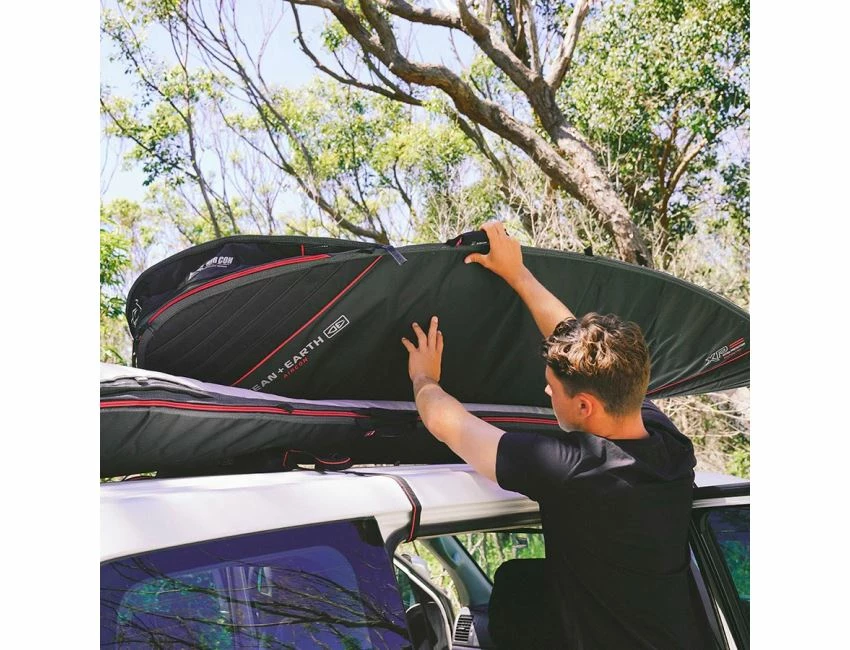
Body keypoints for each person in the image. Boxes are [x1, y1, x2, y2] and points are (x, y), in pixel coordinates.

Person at [400, 221, 704, 649]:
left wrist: (424, 378)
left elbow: (448, 425)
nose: (546, 392)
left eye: (552, 388)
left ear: (585, 406)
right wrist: (516, 273)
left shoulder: (575, 471)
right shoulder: (670, 446)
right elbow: (571, 336)